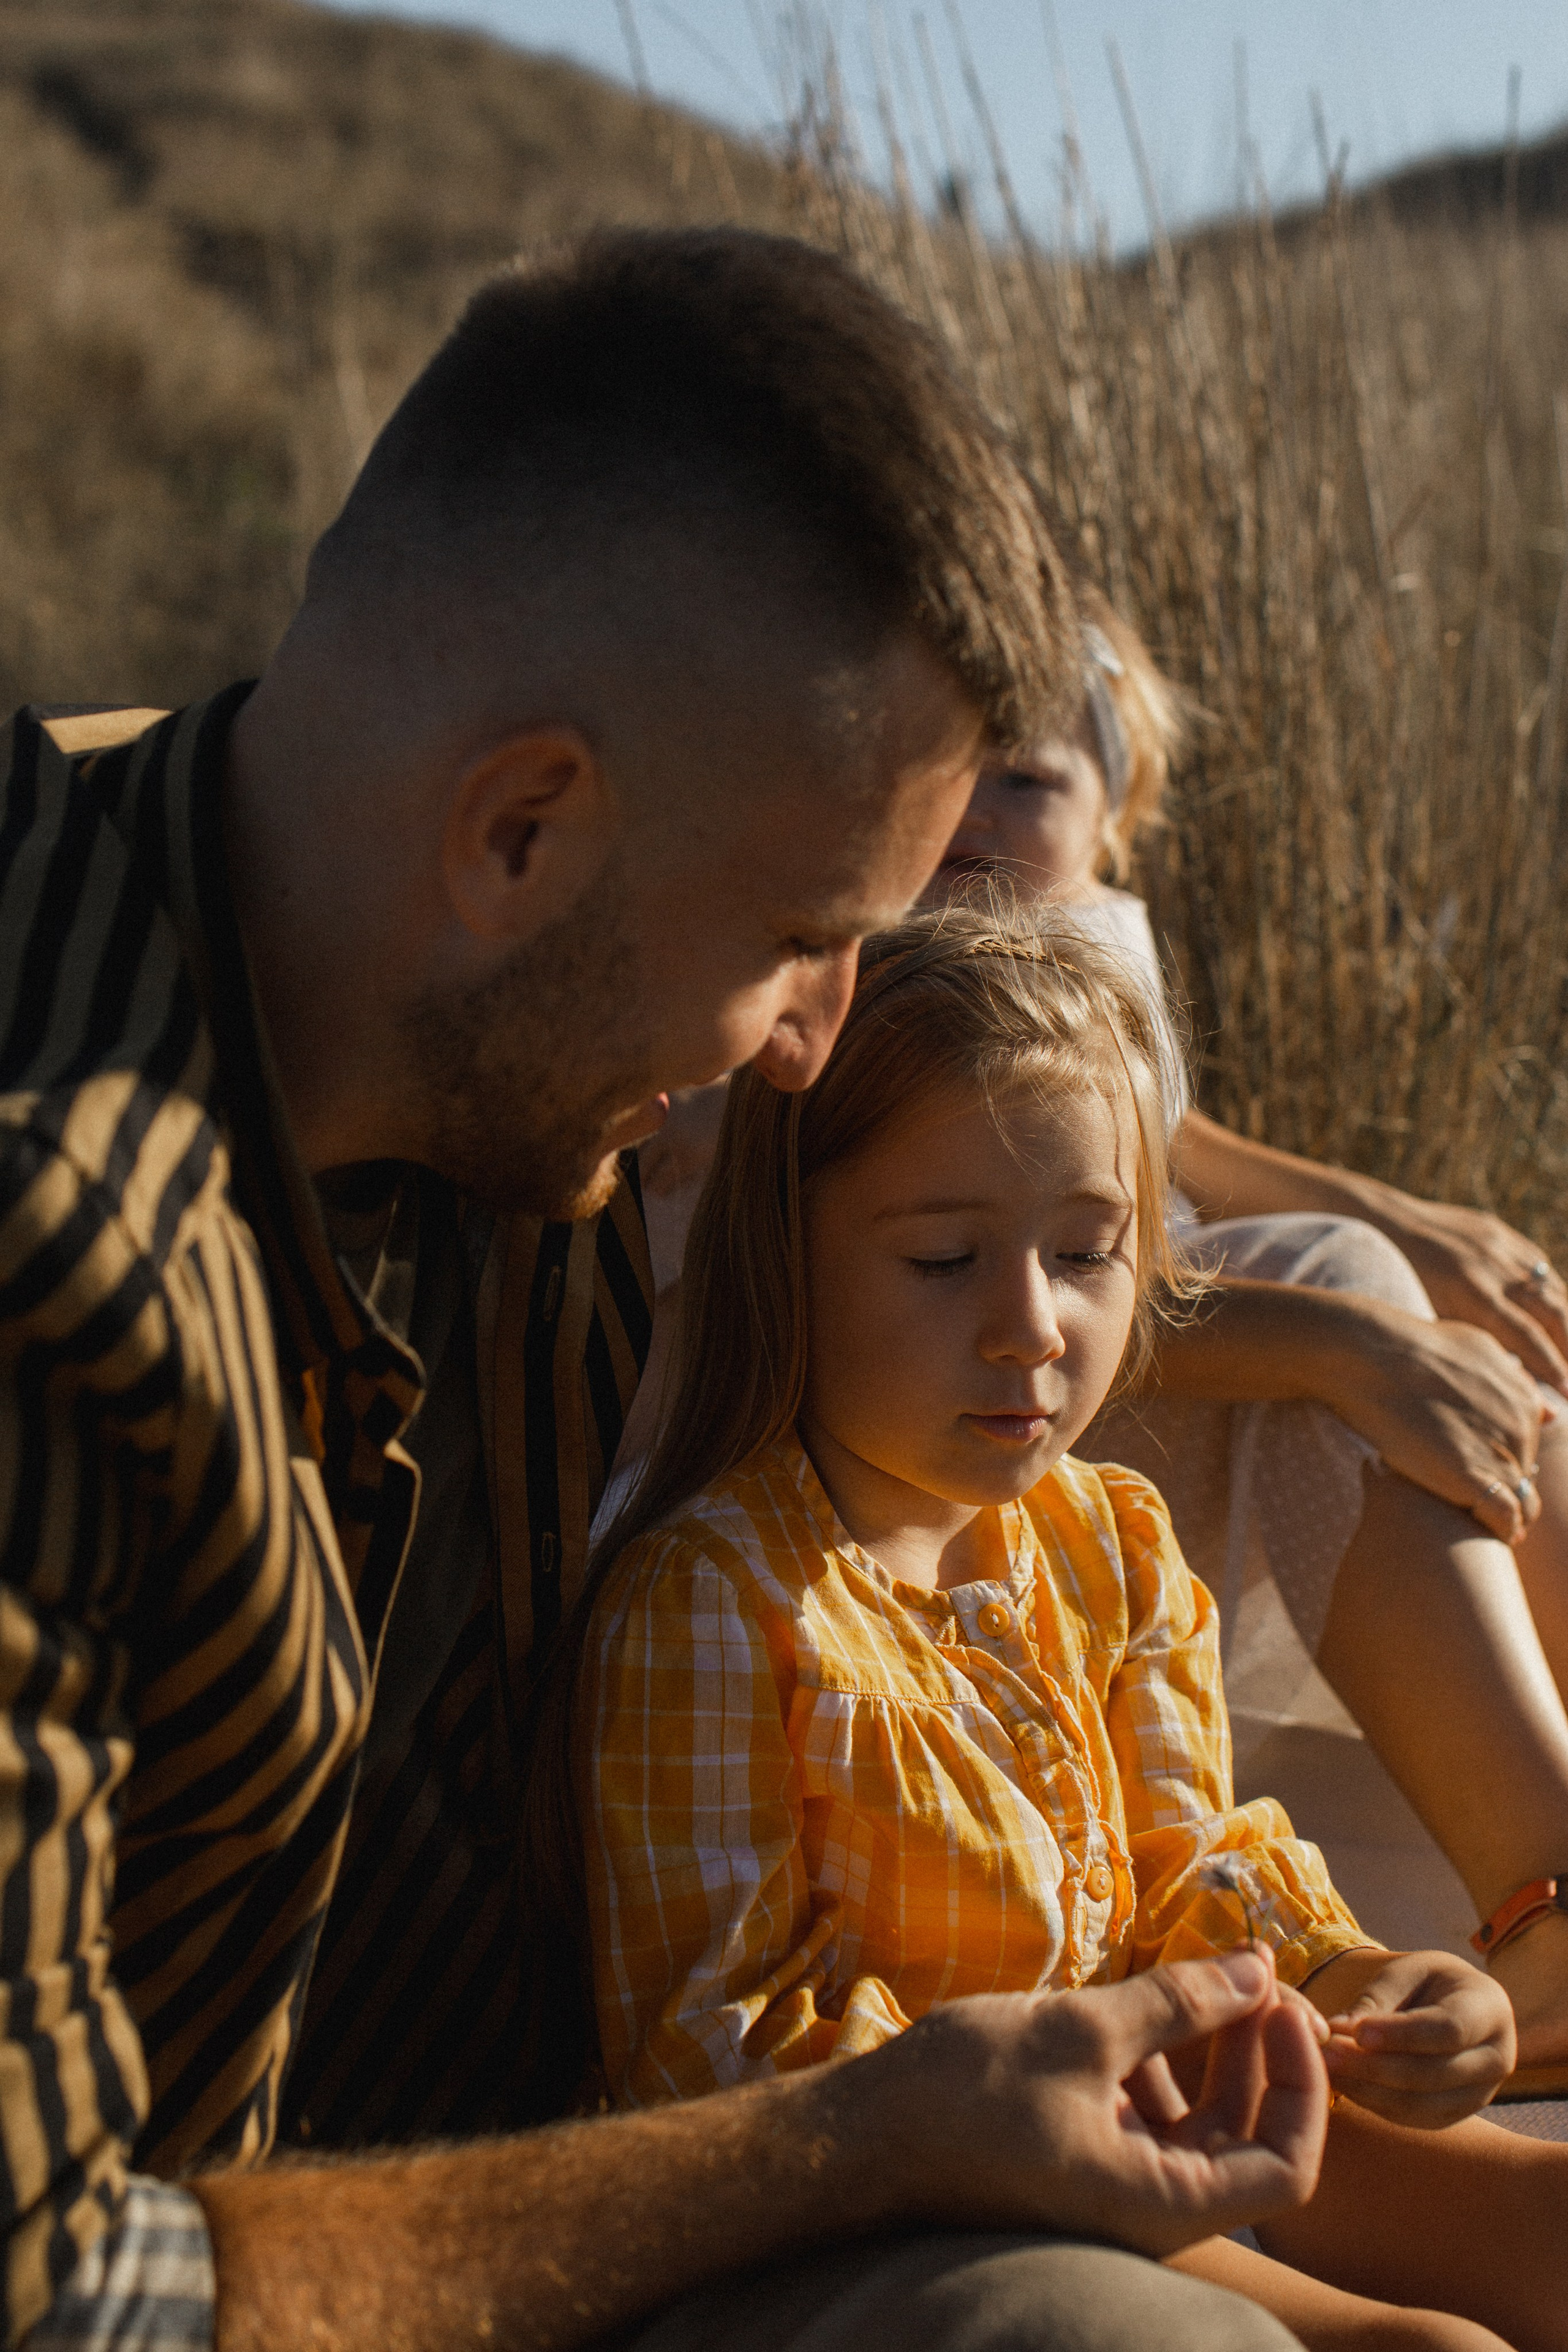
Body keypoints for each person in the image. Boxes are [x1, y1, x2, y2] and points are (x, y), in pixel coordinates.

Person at [0, 228, 1322, 2352]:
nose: (812, 1044)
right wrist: (864, 2137)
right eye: (806, 937)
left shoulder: (510, 1062)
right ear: (521, 830)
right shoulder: (58, 1243)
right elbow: (58, 2292)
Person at [571, 904, 1560, 2352]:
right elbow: (711, 2054)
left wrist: (1354, 1981)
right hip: (941, 2187)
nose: (1030, 1327)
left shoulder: (1104, 1539)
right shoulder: (714, 1601)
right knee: (1427, 2351)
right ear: (785, 1254)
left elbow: (1183, 1864)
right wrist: (1048, 2100)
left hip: (1168, 2093)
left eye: (1086, 1255)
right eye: (940, 1262)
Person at [928, 587, 1568, 2092]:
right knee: (1347, 1307)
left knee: (1475, 1338)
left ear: (1116, 824)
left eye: (1022, 778)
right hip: (982, 1451)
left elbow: (1170, 1149)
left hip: (1086, 1406)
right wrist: (1335, 1327)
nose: (971, 806)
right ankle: (1544, 1905)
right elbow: (979, 1305)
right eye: (945, 760)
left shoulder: (1077, 943)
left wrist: (1402, 1228)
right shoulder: (888, 982)